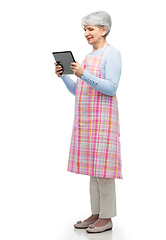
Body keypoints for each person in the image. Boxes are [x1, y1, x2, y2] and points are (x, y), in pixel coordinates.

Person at [55, 11, 122, 234]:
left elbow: (111, 88)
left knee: (104, 171)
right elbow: (79, 91)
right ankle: (96, 213)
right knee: (94, 171)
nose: (86, 33)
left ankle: (107, 217)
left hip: (103, 120)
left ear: (104, 29)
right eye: (85, 29)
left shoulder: (112, 54)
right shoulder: (86, 57)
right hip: (86, 120)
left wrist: (83, 74)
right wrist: (65, 76)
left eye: (91, 29)